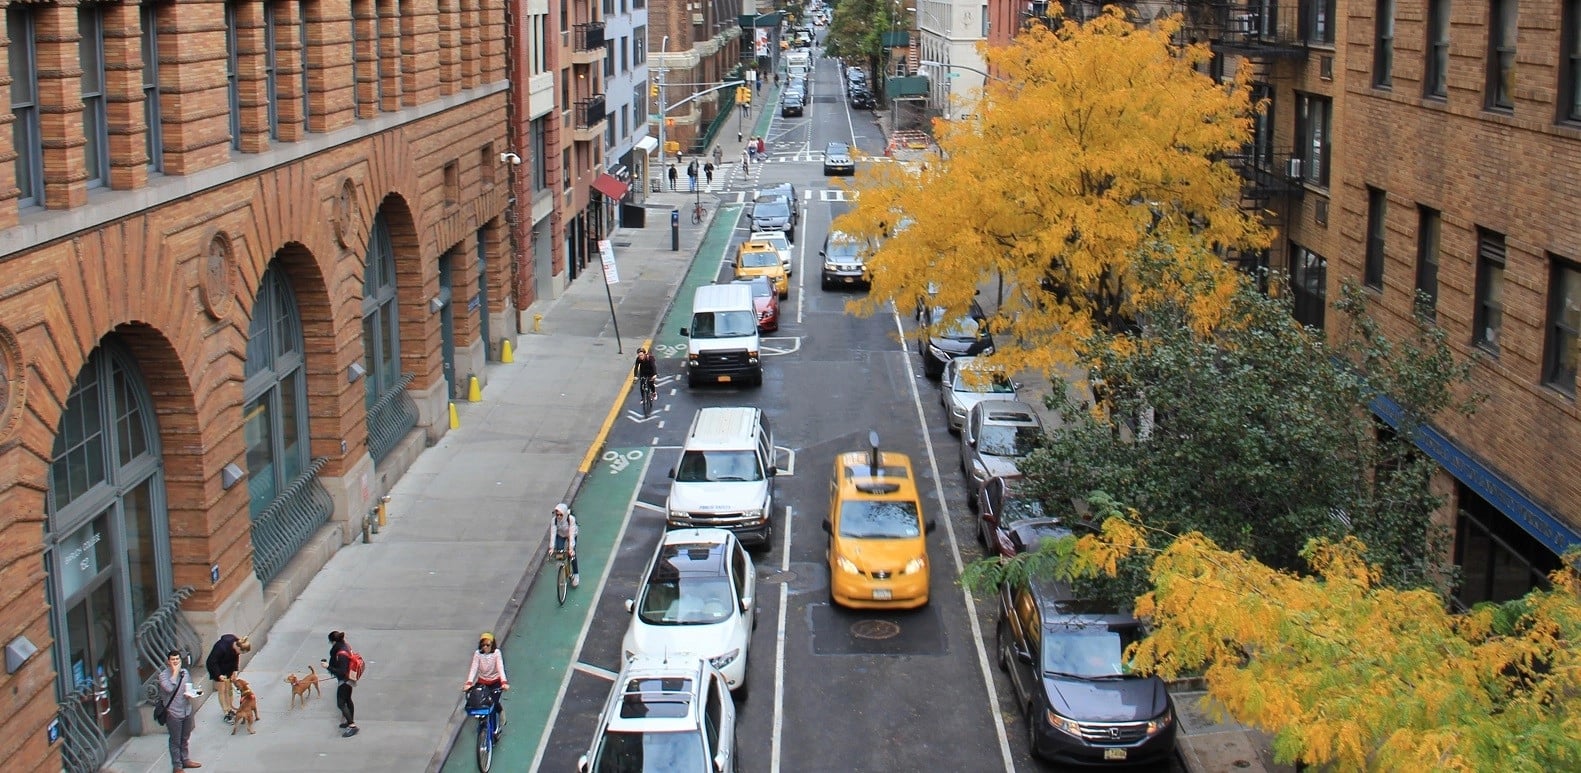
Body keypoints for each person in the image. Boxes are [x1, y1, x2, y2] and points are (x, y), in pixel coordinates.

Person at [157, 649, 201, 771]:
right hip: (173, 713)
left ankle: (185, 760)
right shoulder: (163, 676)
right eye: (173, 659)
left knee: (185, 737)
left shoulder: (185, 673)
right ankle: (177, 766)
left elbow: (189, 686)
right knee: (175, 740)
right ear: (168, 661)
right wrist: (175, 672)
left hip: (186, 709)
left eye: (177, 659)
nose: (175, 662)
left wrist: (191, 693)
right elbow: (169, 689)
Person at [463, 632, 509, 725]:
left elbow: (500, 667)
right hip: (482, 681)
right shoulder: (478, 654)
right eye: (483, 645)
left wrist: (504, 682)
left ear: (492, 645)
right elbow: (474, 668)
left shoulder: (496, 653)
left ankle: (500, 713)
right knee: (479, 702)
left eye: (488, 645)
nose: (485, 647)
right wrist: (469, 683)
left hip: (495, 681)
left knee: (494, 702)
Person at [203, 634, 251, 724]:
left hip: (228, 667)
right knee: (222, 690)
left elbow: (236, 657)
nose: (240, 654)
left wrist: (235, 671)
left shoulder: (237, 644)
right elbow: (211, 662)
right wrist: (218, 675)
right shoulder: (221, 647)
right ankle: (226, 712)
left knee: (229, 690)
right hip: (217, 668)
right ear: (237, 647)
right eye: (241, 652)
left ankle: (230, 708)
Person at [326, 630, 360, 737]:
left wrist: (327, 667)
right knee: (348, 699)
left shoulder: (341, 654)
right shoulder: (346, 646)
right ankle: (350, 720)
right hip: (350, 677)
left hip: (344, 680)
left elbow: (341, 671)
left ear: (334, 642)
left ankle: (352, 726)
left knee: (340, 703)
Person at [552, 503, 579, 588]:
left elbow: (571, 534)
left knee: (572, 555)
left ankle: (575, 574)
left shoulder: (571, 519)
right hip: (561, 534)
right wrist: (551, 548)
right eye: (557, 515)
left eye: (561, 515)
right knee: (559, 550)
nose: (559, 517)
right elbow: (553, 534)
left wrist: (571, 548)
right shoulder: (554, 520)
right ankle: (562, 568)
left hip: (571, 534)